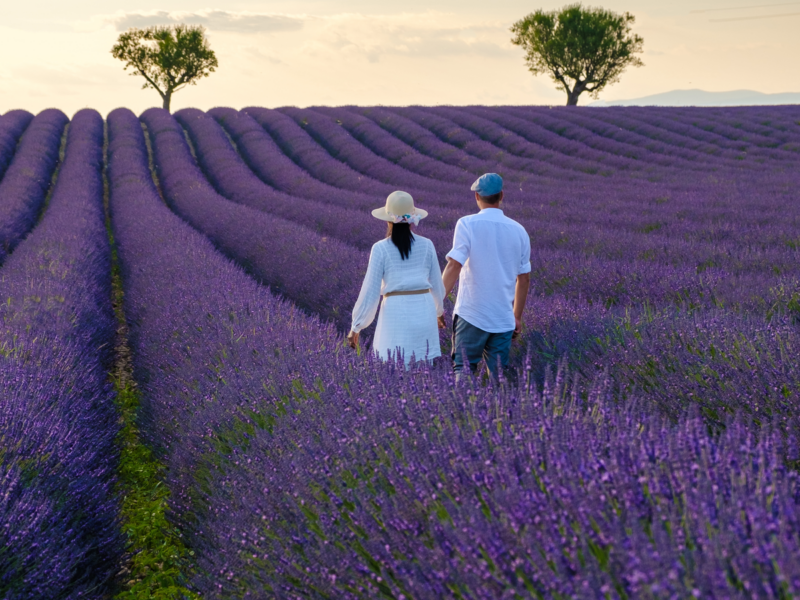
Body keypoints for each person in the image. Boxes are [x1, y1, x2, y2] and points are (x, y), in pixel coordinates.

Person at [442, 173, 531, 378]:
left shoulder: (467, 224)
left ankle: (462, 410)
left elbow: (454, 265)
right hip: (502, 318)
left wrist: (436, 302)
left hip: (471, 314)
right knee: (499, 377)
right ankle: (502, 410)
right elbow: (524, 279)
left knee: (463, 369)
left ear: (476, 197)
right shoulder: (519, 231)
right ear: (502, 196)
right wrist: (516, 316)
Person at [348, 191, 446, 365]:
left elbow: (370, 292)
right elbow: (437, 285)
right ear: (412, 219)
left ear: (387, 220)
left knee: (392, 368)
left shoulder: (380, 249)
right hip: (424, 311)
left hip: (396, 313)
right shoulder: (427, 245)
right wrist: (438, 312)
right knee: (423, 373)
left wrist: (357, 326)